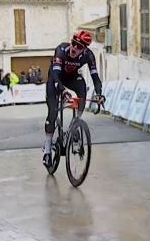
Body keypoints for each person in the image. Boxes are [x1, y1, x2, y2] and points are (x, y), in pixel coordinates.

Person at [42, 30, 105, 167]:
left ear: (84, 49)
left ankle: (75, 123)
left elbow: (95, 77)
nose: (74, 48)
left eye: (79, 47)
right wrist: (63, 91)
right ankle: (47, 151)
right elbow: (57, 76)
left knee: (82, 85)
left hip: (71, 78)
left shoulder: (88, 55)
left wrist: (99, 93)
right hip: (56, 78)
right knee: (52, 112)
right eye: (74, 43)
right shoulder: (61, 50)